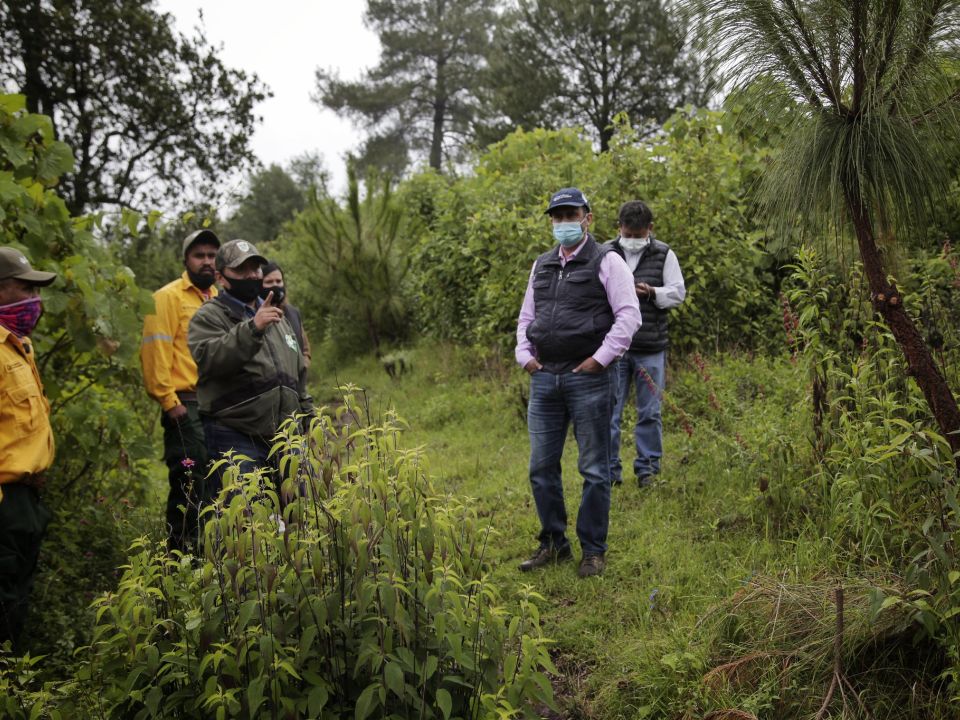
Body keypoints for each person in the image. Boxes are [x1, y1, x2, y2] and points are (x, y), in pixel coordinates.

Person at [514, 188, 641, 578]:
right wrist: (526, 357)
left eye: (571, 214)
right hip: (545, 377)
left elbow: (629, 315)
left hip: (589, 379)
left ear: (588, 217)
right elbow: (525, 319)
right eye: (557, 216)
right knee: (541, 467)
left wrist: (599, 360)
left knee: (595, 469)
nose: (563, 222)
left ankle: (592, 550)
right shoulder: (542, 264)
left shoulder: (608, 261)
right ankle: (553, 542)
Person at [188, 239, 314, 495]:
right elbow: (211, 358)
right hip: (235, 432)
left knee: (301, 514)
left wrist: (308, 416)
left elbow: (295, 372)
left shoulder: (276, 316)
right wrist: (252, 328)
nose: (252, 275)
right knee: (245, 522)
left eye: (256, 269)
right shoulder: (210, 316)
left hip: (285, 434)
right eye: (242, 270)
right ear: (221, 278)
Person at [140, 230, 220, 552]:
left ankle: (209, 550)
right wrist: (170, 403)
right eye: (199, 255)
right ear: (186, 259)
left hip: (217, 407)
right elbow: (155, 352)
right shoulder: (167, 297)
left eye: (212, 256)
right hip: (185, 405)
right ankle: (180, 555)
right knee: (189, 481)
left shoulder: (217, 297)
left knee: (215, 479)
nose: (207, 262)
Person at [606, 201, 686, 487]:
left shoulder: (664, 253)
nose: (633, 239)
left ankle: (648, 471)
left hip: (650, 347)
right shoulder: (606, 252)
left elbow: (678, 293)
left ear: (650, 229)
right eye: (629, 233)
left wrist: (652, 292)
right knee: (608, 412)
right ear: (619, 228)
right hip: (613, 349)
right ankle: (609, 472)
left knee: (650, 412)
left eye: (639, 235)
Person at [0, 247, 56, 649]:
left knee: (17, 603)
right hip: (5, 501)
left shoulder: (18, 347)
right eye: (25, 288)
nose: (34, 300)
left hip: (28, 497)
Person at [259, 261, 312, 368]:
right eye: (269, 282)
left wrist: (303, 366)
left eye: (278, 281)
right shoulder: (255, 316)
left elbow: (305, 349)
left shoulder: (293, 313)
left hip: (296, 382)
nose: (275, 285)